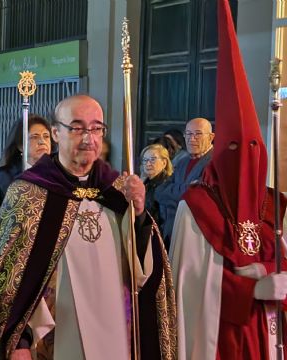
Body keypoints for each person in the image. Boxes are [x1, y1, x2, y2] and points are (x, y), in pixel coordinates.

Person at [0, 95, 176, 360]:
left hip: (115, 332)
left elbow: (144, 273)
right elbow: (8, 279)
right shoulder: (29, 193)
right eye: (77, 127)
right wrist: (19, 340)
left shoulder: (117, 191)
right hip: (54, 339)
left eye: (96, 128)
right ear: (56, 133)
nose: (88, 138)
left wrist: (138, 214)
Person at [172, 1, 287, 358]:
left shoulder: (276, 204)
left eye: (253, 147)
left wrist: (271, 272)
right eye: (234, 147)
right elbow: (188, 286)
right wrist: (246, 290)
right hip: (220, 336)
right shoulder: (197, 207)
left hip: (269, 331)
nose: (245, 157)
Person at [0, 114, 52, 263]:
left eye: (46, 136)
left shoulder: (59, 178)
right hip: (13, 261)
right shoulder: (0, 178)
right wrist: (14, 234)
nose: (42, 141)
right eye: (34, 137)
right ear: (20, 145)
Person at [156, 117, 214, 242]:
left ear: (211, 137)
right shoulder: (183, 162)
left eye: (198, 134)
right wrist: (185, 192)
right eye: (188, 134)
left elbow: (198, 197)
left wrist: (174, 195)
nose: (191, 138)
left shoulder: (215, 163)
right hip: (172, 229)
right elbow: (159, 191)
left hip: (197, 233)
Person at [140, 143, 173, 249]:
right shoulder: (146, 183)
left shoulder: (166, 185)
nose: (148, 164)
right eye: (145, 160)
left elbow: (165, 220)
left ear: (164, 162)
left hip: (159, 241)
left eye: (153, 159)